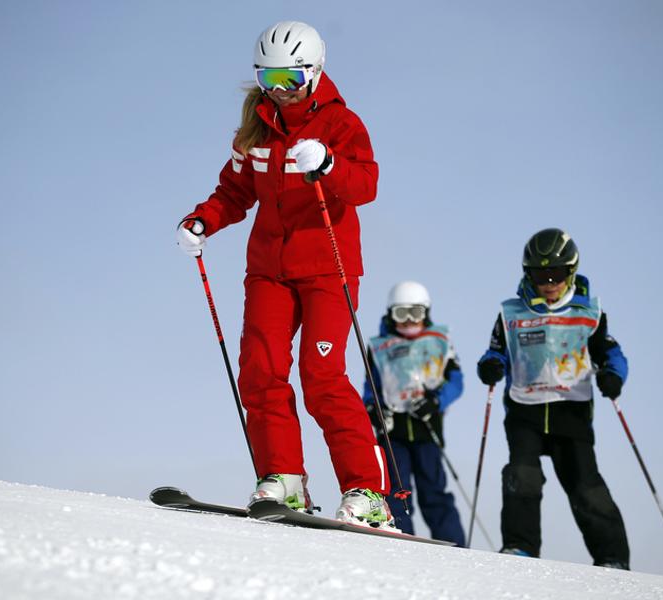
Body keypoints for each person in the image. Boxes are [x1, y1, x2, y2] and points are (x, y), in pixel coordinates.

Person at [175, 21, 394, 529]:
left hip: (326, 267)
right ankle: (284, 480)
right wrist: (203, 219)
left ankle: (367, 490)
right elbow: (235, 190)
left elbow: (365, 185)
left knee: (323, 377)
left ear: (314, 72)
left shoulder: (341, 123)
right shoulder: (256, 122)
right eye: (268, 76)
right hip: (269, 269)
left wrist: (329, 164)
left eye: (290, 78)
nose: (278, 88)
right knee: (262, 370)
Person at [476, 228, 631, 569]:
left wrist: (613, 375)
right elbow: (497, 351)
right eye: (538, 274)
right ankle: (520, 547)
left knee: (585, 484)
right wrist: (490, 365)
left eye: (556, 273)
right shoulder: (511, 314)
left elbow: (610, 352)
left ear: (571, 271)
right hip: (524, 410)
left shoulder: (588, 312)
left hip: (570, 411)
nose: (548, 282)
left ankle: (613, 558)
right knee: (522, 474)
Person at [362, 281, 466, 545]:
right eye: (401, 314)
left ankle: (453, 543)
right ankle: (400, 539)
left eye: (415, 314)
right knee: (397, 490)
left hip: (426, 428)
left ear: (427, 313)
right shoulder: (379, 347)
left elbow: (456, 381)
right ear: (390, 314)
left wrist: (436, 402)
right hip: (393, 430)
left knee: (433, 489)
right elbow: (370, 387)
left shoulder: (439, 342)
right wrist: (374, 409)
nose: (408, 321)